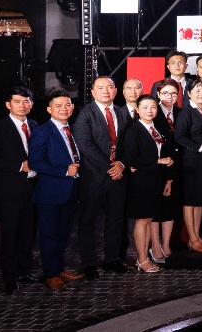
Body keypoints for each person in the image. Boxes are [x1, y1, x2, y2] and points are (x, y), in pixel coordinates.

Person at [73, 76, 130, 277]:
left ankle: (112, 259)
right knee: (88, 221)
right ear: (92, 92)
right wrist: (110, 167)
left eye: (109, 87)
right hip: (93, 178)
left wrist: (122, 164)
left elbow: (130, 143)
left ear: (115, 91)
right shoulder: (85, 114)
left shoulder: (123, 113)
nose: (105, 91)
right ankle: (89, 264)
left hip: (118, 177)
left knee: (115, 220)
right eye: (100, 88)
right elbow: (85, 145)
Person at [29, 90, 82, 292]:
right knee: (49, 235)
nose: (63, 109)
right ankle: (51, 274)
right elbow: (35, 162)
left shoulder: (72, 130)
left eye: (67, 105)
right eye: (58, 106)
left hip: (70, 192)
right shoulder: (42, 131)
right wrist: (64, 171)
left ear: (72, 107)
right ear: (49, 109)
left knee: (63, 234)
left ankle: (59, 269)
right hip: (50, 193)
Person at [0, 85, 38, 293]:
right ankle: (9, 277)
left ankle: (25, 271)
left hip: (33, 189)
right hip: (9, 191)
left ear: (31, 104)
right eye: (17, 102)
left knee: (28, 233)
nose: (22, 105)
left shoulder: (34, 125)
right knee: (9, 235)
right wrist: (19, 166)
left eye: (26, 101)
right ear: (8, 105)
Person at [120, 95, 175, 273]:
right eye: (145, 107)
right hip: (140, 182)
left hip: (155, 180)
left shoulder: (157, 129)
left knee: (149, 218)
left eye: (153, 107)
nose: (149, 111)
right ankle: (142, 258)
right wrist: (159, 161)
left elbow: (165, 153)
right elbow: (133, 159)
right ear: (137, 110)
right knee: (142, 220)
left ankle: (145, 257)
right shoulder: (133, 131)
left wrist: (168, 179)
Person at [176, 80, 202, 252]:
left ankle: (197, 236)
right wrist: (201, 147)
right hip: (191, 161)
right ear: (189, 94)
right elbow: (179, 137)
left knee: (200, 199)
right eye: (197, 90)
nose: (201, 94)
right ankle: (191, 238)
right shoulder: (186, 112)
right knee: (190, 200)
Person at [151, 79, 183, 261]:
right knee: (156, 208)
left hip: (176, 166)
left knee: (171, 207)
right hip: (157, 166)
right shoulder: (152, 112)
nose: (169, 97)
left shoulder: (181, 113)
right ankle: (155, 246)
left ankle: (166, 245)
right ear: (158, 94)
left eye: (173, 93)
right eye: (165, 93)